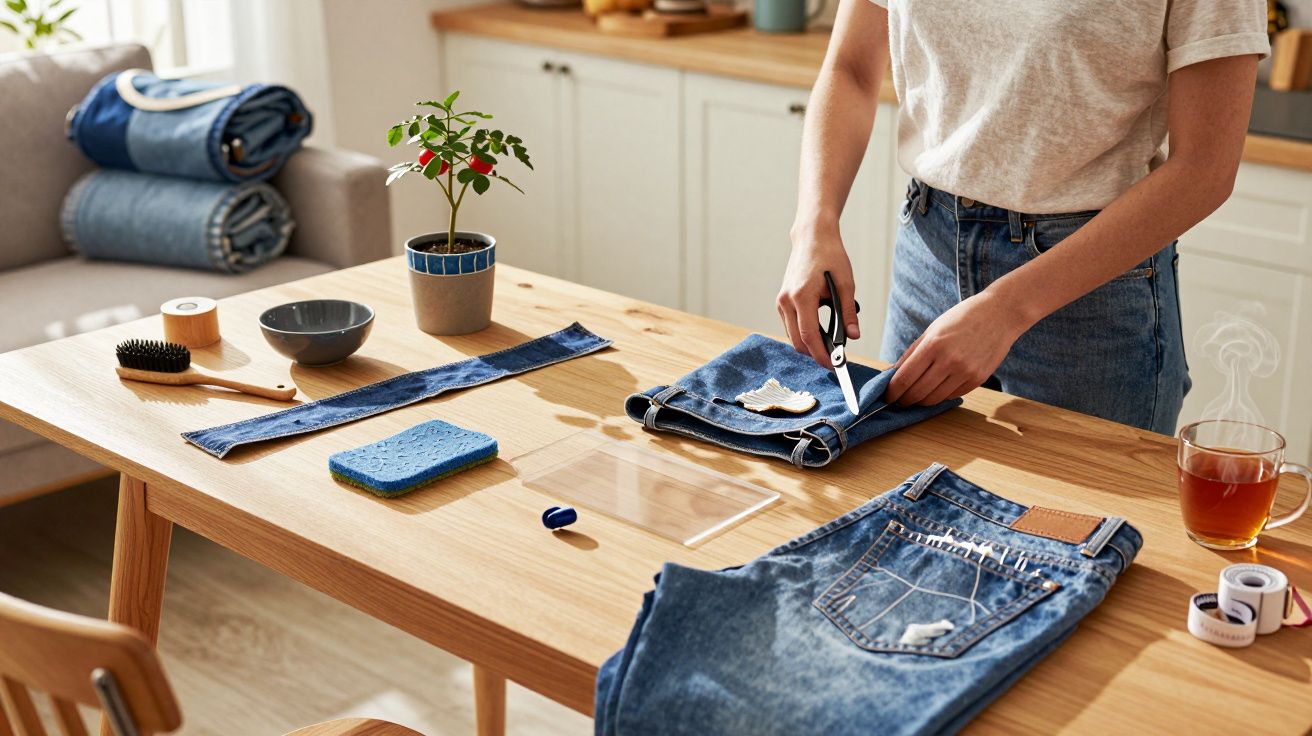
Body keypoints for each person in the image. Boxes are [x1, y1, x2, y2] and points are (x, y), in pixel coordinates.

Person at [777, 0, 1270, 434]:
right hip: (927, 256)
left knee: (1082, 527)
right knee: (897, 515)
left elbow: (1204, 170)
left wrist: (1008, 308)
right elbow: (851, 70)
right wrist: (813, 227)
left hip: (1088, 293)